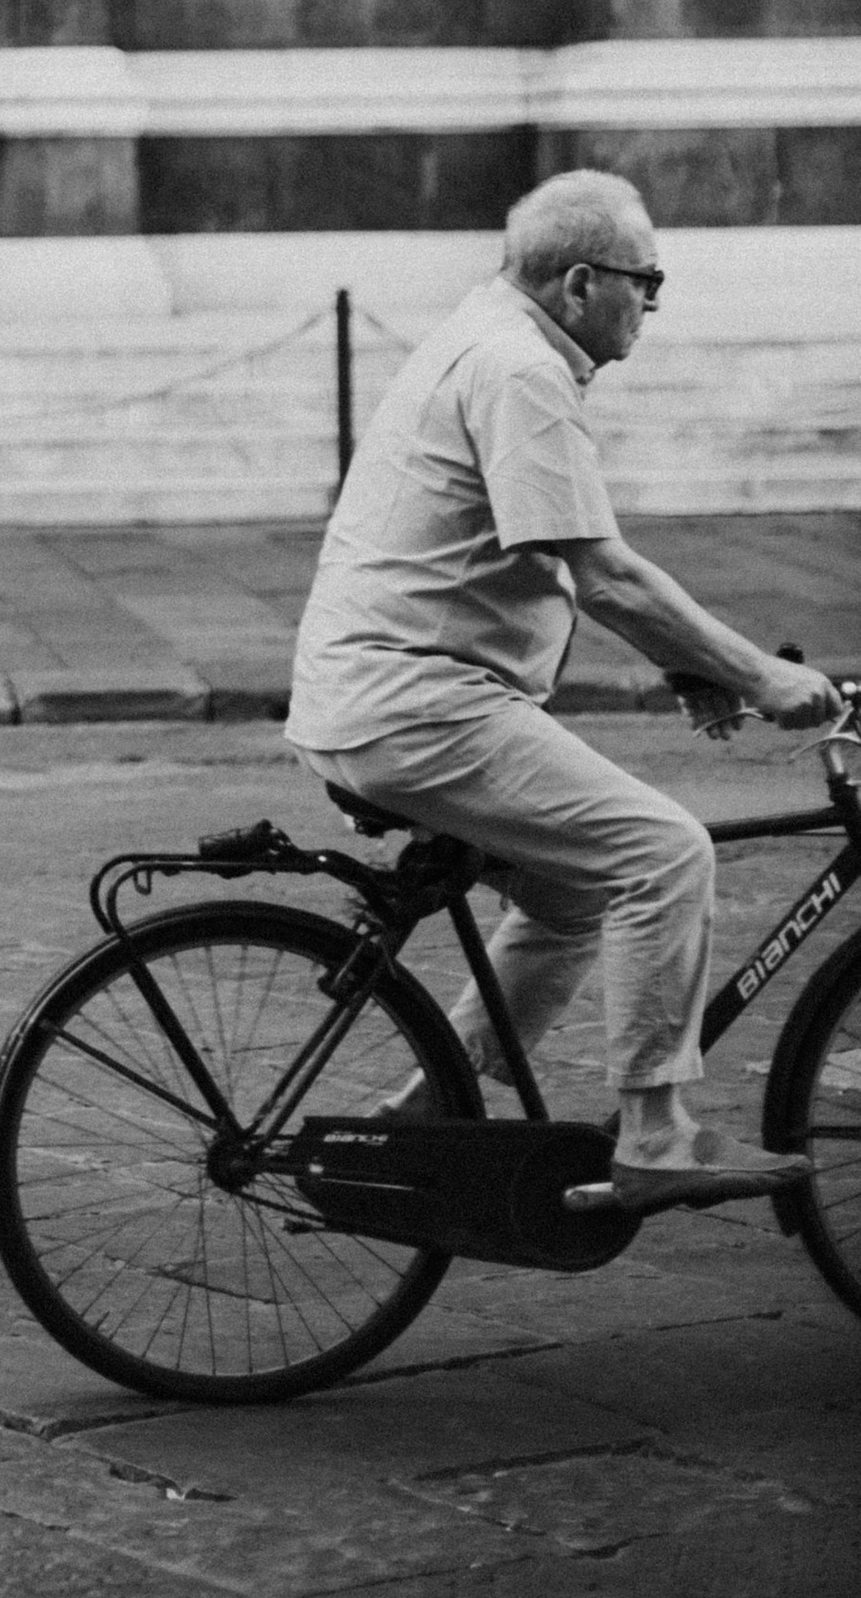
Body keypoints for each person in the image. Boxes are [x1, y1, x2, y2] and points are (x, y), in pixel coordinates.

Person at [287, 169, 837, 1210]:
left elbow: (549, 553)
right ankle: (656, 1133)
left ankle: (430, 1111)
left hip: (380, 694)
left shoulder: (492, 337)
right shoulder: (520, 370)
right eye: (646, 280)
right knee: (663, 853)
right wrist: (762, 676)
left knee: (576, 891)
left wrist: (689, 659)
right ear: (582, 283)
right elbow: (606, 574)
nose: (652, 305)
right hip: (418, 704)